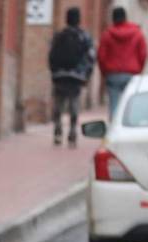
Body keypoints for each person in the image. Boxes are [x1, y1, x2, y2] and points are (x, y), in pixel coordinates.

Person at [48, 7, 95, 147]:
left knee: (58, 104)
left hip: (59, 75)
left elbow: (50, 55)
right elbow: (91, 57)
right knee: (74, 103)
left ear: (66, 19)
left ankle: (57, 130)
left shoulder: (58, 35)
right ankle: (73, 131)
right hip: (76, 76)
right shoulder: (84, 36)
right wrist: (87, 75)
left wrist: (54, 72)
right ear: (79, 19)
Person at [98, 7, 147, 120]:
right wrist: (139, 70)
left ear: (113, 19)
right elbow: (143, 54)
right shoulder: (137, 33)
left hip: (113, 74)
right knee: (130, 105)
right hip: (131, 73)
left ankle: (114, 130)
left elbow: (101, 56)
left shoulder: (107, 34)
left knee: (114, 104)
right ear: (126, 17)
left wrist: (105, 72)